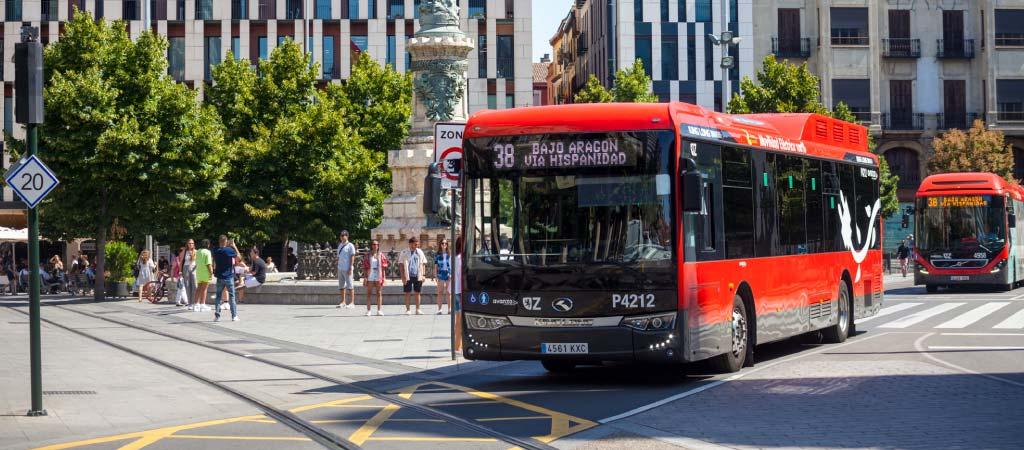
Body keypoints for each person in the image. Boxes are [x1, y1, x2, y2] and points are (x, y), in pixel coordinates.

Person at [212, 235, 239, 322]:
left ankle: (217, 316)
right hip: (229, 276)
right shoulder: (229, 250)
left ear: (219, 241)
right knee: (232, 296)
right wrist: (234, 246)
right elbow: (239, 257)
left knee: (218, 297)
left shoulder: (215, 250)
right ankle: (234, 316)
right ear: (226, 241)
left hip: (219, 277)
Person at [399, 237, 427, 315]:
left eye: (417, 244)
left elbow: (423, 263)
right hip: (407, 275)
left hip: (418, 274)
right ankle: (408, 309)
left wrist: (423, 275)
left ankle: (418, 309)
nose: (416, 245)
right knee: (407, 292)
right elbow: (401, 264)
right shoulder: (404, 252)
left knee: (417, 292)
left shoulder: (420, 252)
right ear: (410, 244)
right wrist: (402, 276)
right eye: (415, 244)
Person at [362, 240, 388, 316]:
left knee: (379, 293)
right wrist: (365, 277)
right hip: (370, 274)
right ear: (371, 245)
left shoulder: (381, 255)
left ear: (378, 246)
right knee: (369, 293)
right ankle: (368, 310)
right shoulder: (368, 255)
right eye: (373, 244)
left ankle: (379, 310)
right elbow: (364, 267)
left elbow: (383, 267)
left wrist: (384, 277)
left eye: (376, 244)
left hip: (378, 274)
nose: (375, 245)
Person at [336, 230, 357, 308]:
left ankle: (352, 302)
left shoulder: (350, 245)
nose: (341, 237)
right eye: (341, 235)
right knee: (341, 286)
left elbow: (352, 256)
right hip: (340, 268)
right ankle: (343, 302)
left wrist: (350, 267)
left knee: (350, 285)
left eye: (343, 235)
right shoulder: (340, 245)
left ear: (347, 236)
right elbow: (338, 256)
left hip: (347, 268)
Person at [194, 239, 214, 312]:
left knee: (198, 288)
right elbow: (208, 264)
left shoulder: (198, 251)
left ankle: (196, 304)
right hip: (205, 272)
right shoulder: (207, 252)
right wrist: (211, 273)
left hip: (198, 272)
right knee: (204, 289)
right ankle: (202, 304)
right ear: (208, 244)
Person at [434, 239, 451, 315]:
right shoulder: (437, 255)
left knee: (448, 292)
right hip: (440, 274)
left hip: (448, 274)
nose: (444, 245)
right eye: (442, 243)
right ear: (440, 245)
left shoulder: (450, 255)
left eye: (445, 243)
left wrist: (451, 275)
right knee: (440, 292)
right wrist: (435, 276)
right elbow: (435, 266)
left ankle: (449, 309)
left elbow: (452, 265)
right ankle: (439, 309)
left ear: (447, 245)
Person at [180, 240, 198, 309]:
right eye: (189, 243)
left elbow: (198, 262)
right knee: (187, 286)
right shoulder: (184, 251)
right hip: (186, 268)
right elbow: (181, 262)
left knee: (195, 286)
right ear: (187, 244)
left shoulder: (196, 251)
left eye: (192, 243)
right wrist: (180, 271)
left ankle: (194, 302)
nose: (191, 244)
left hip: (194, 268)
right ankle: (190, 303)